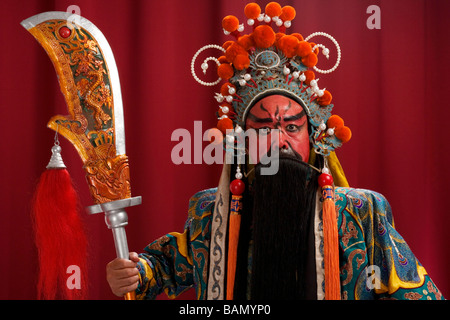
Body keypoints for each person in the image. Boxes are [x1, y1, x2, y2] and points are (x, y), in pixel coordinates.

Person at [106, 2, 444, 300]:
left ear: (314, 137)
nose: (279, 141)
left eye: (292, 127)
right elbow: (165, 268)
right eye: (263, 129)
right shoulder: (212, 211)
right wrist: (136, 272)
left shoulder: (363, 212)